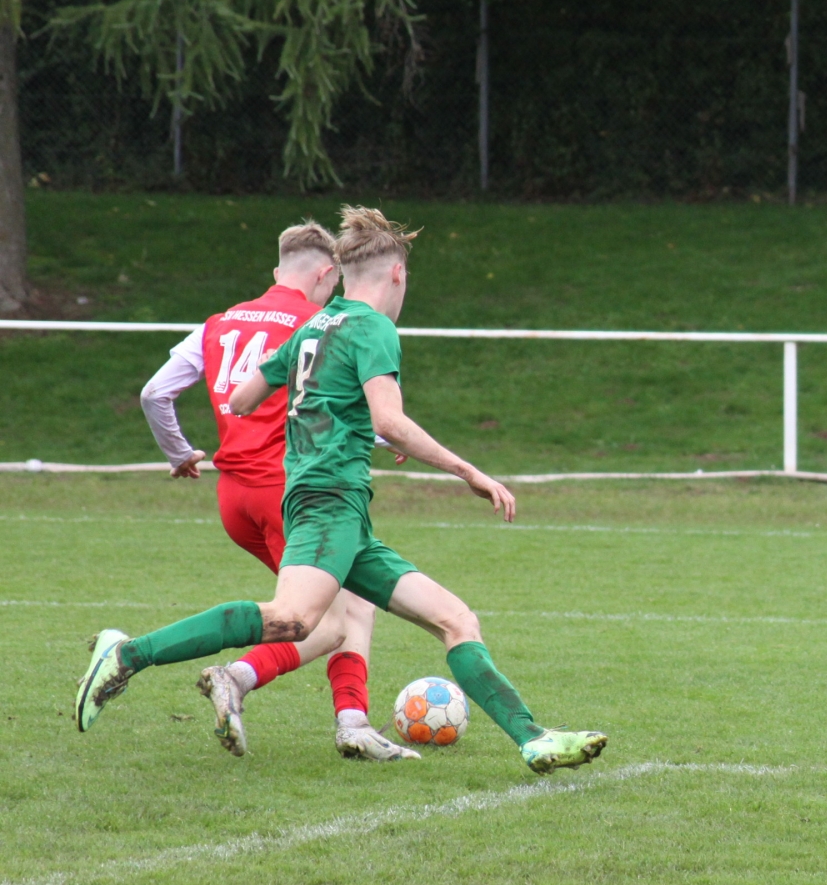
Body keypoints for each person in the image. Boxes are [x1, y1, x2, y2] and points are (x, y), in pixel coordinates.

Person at [78, 206, 608, 775]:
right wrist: (469, 472)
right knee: (293, 620)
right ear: (397, 274)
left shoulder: (313, 326)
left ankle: (532, 739)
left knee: (455, 619)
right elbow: (389, 421)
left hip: (342, 514)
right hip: (326, 503)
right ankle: (128, 654)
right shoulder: (373, 327)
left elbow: (242, 399)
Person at [137, 220, 409, 761]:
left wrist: (179, 453)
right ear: (327, 274)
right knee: (330, 620)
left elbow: (154, 393)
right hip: (294, 490)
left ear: (277, 268)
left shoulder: (219, 323)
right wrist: (390, 436)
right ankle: (232, 677)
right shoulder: (320, 322)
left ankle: (352, 721)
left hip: (232, 498)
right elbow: (336, 397)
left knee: (349, 604)